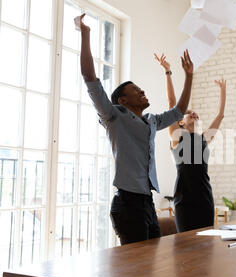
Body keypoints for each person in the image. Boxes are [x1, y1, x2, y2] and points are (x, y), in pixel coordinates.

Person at [75, 14, 194, 245]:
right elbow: (89, 76)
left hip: (146, 202)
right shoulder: (113, 116)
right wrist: (85, 34)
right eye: (136, 90)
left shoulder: (151, 121)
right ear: (123, 100)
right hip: (127, 204)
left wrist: (189, 76)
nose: (142, 91)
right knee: (135, 273)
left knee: (151, 266)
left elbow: (179, 111)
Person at [154, 53, 226, 232]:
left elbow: (220, 116)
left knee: (206, 245)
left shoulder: (203, 139)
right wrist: (168, 72)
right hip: (184, 199)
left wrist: (223, 91)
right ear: (180, 120)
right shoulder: (177, 136)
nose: (193, 114)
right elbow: (172, 103)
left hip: (205, 198)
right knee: (185, 247)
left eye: (196, 113)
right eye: (188, 113)